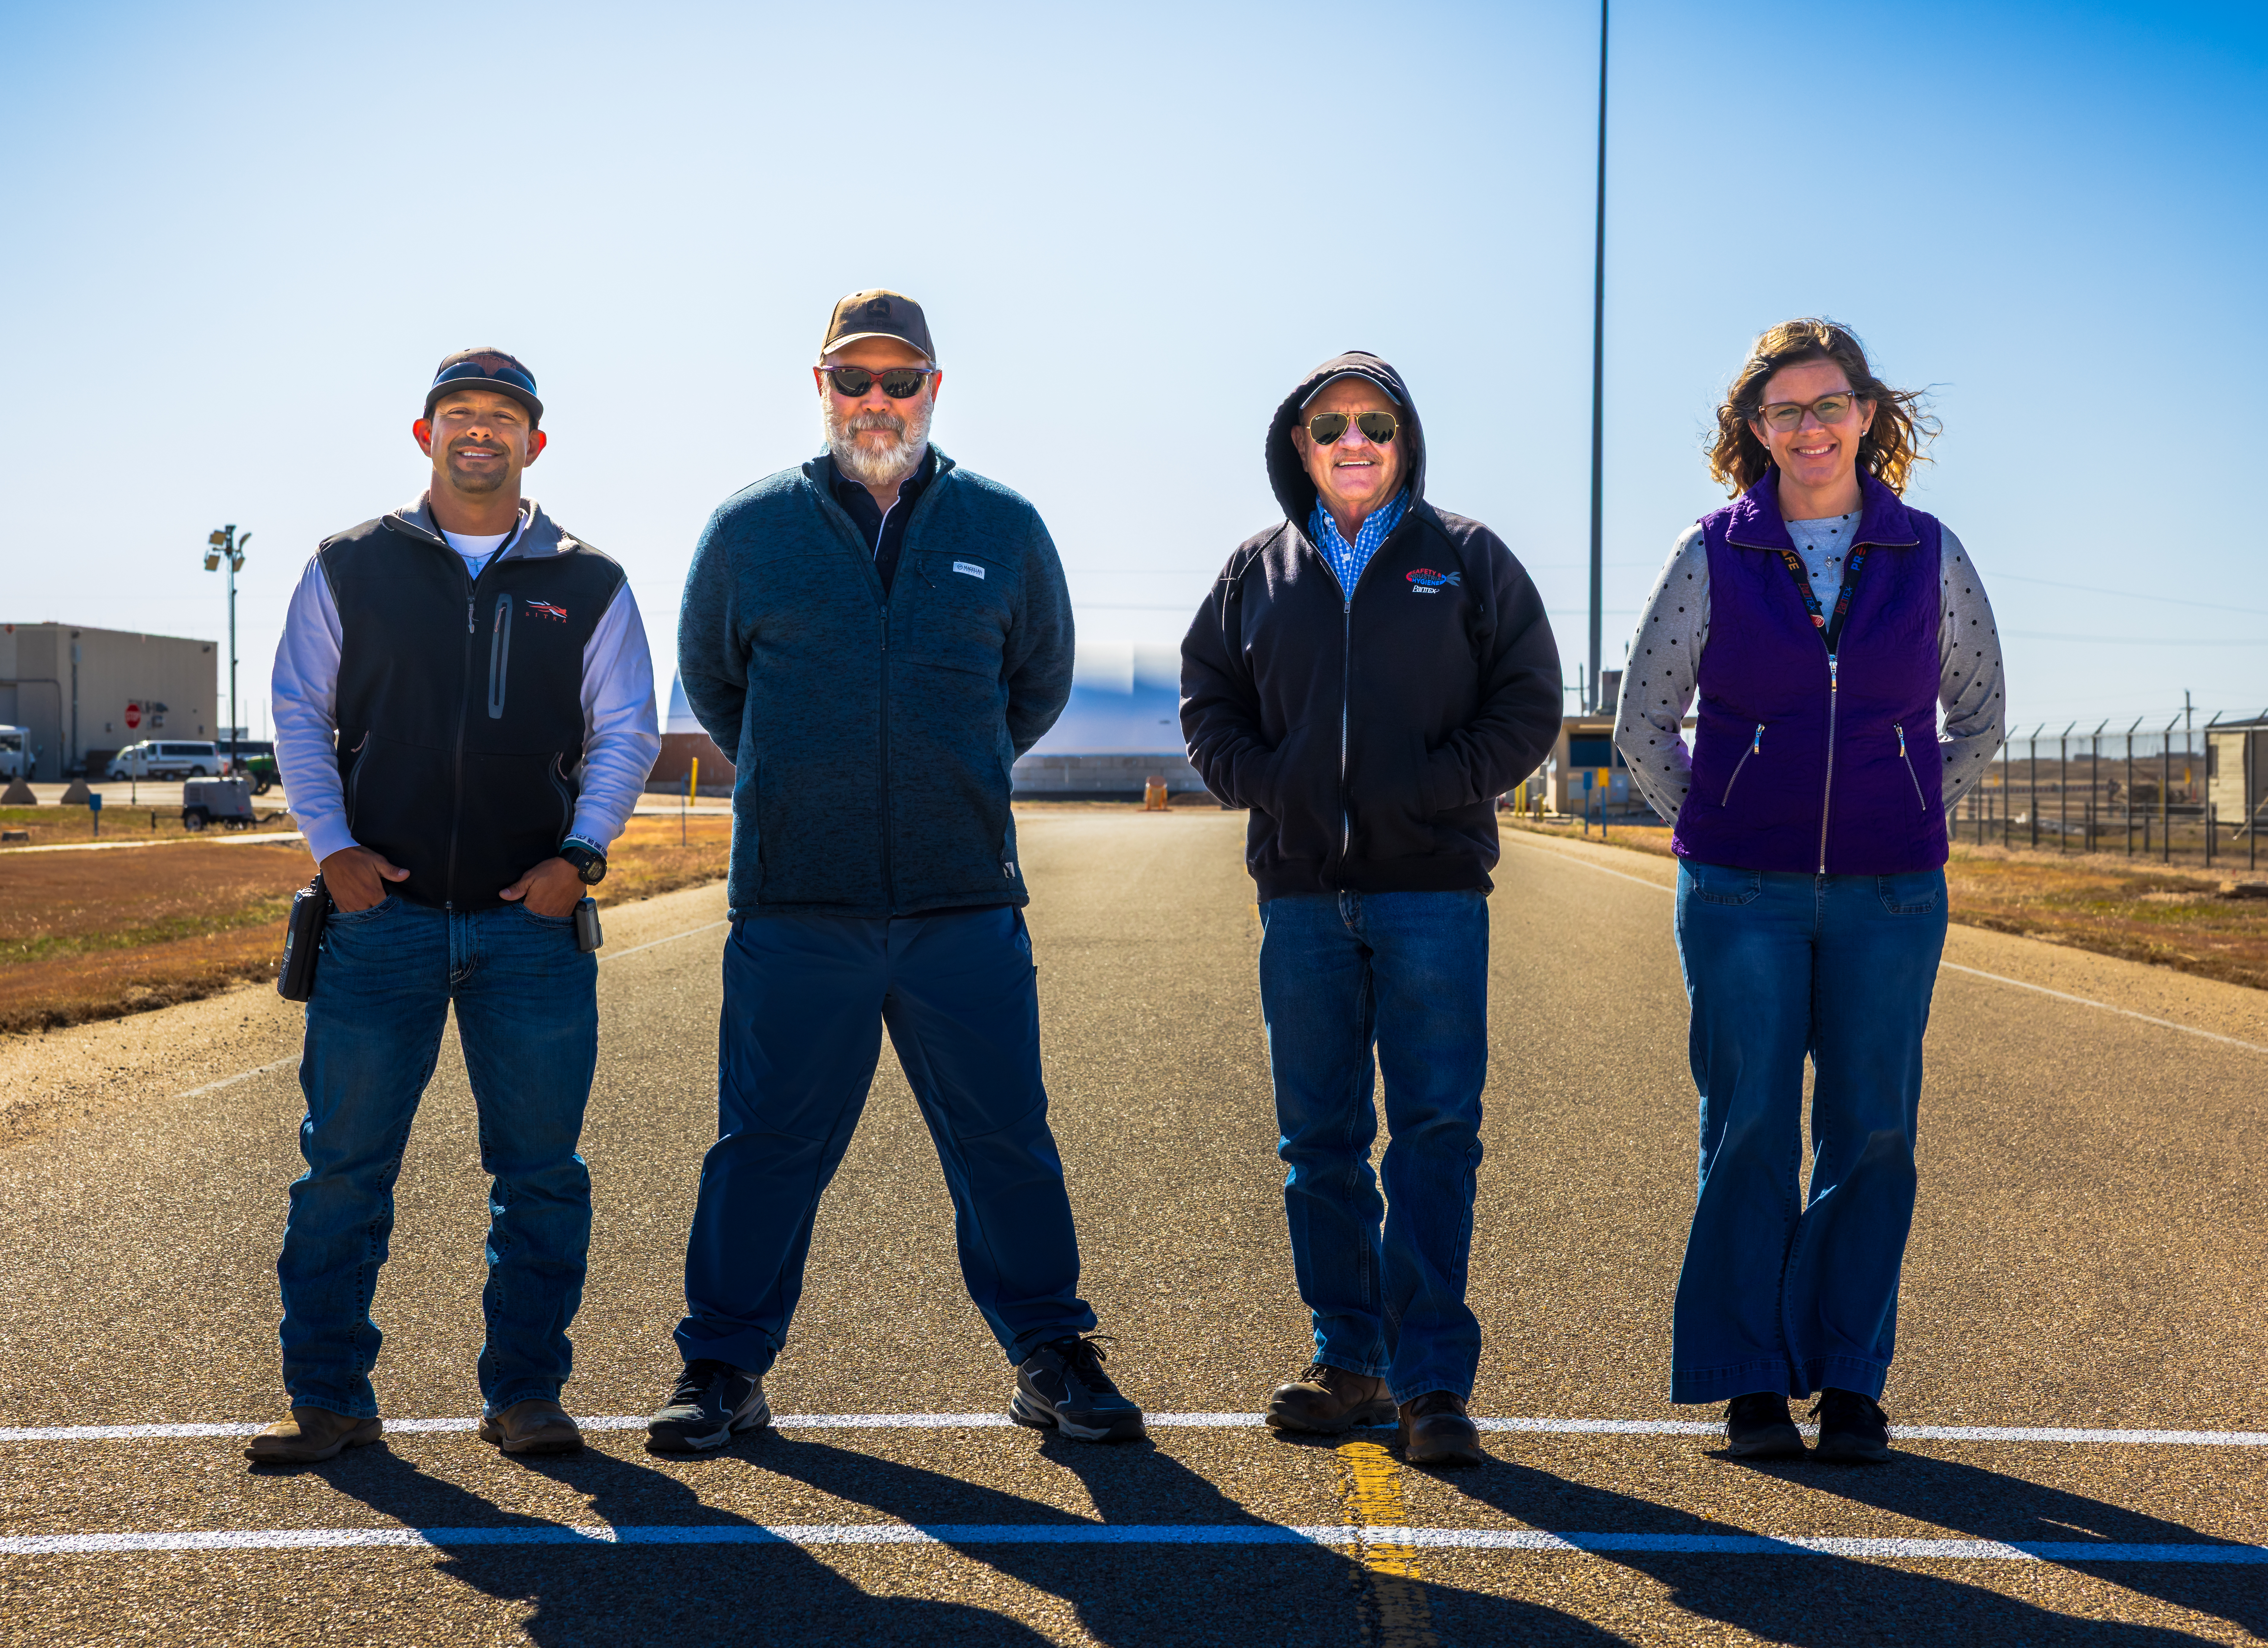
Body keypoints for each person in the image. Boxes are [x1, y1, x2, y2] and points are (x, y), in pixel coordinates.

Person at [655, 289, 1142, 1452]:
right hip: (795, 905)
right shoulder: (747, 532)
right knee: (764, 1144)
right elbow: (720, 692)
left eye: (899, 379)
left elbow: (1035, 688)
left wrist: (947, 770)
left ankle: (1051, 1353)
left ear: (934, 388)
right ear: (819, 388)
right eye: (852, 379)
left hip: (961, 901)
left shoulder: (1004, 527)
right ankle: (722, 1364)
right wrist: (809, 781)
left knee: (1003, 1137)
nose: (877, 401)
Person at [252, 349, 661, 1464]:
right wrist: (331, 848)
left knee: (539, 1176)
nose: (479, 433)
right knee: (343, 1172)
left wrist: (579, 856)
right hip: (376, 922)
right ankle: (328, 1399)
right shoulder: (351, 565)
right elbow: (299, 710)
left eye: (502, 419)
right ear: (423, 434)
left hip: (527, 926)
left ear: (536, 443)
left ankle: (526, 1394)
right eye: (459, 416)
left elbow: (624, 731)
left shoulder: (591, 581)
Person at [1614, 318, 2004, 1463]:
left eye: (1828, 404)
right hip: (1742, 894)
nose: (1809, 427)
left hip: (1891, 894)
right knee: (1744, 1128)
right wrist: (1716, 818)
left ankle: (1846, 1380)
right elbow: (1646, 721)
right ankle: (1746, 1381)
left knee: (1872, 1130)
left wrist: (1910, 803)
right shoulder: (1710, 552)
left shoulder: (1927, 552)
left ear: (1869, 417)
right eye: (1783, 410)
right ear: (1753, 430)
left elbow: (1975, 712)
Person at [1180, 352, 1563, 1467]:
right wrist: (1273, 785)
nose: (1355, 442)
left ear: (1406, 442)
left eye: (1377, 426)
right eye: (1331, 426)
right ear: (1298, 447)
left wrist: (1433, 785)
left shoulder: (1468, 559)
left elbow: (1528, 702)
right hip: (1301, 899)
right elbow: (1209, 706)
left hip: (1432, 892)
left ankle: (1433, 1381)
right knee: (1320, 1143)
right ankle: (1349, 1361)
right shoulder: (1255, 570)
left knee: (1436, 1134)